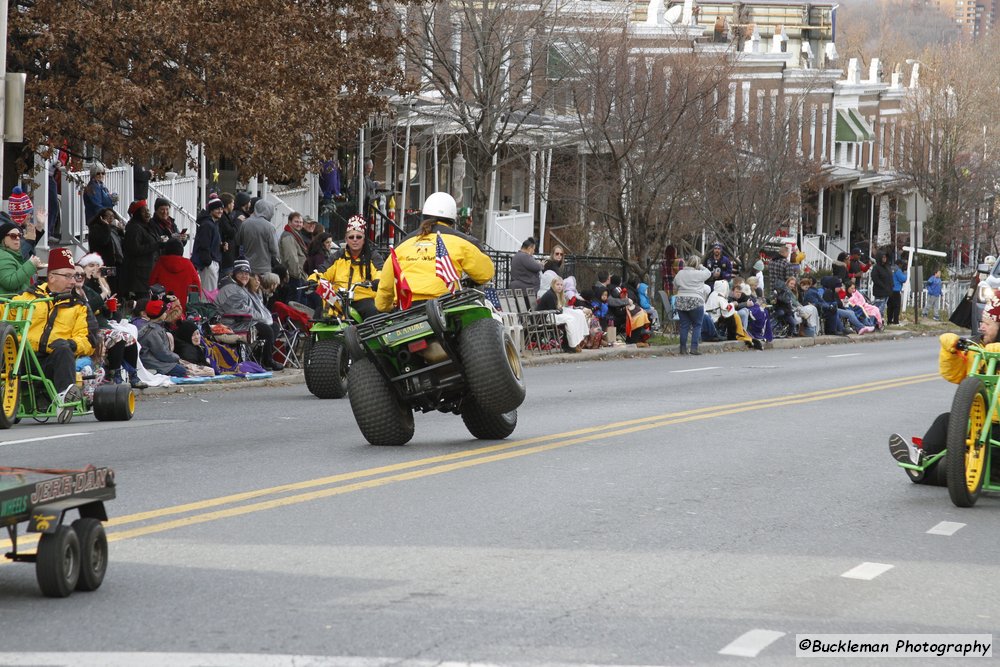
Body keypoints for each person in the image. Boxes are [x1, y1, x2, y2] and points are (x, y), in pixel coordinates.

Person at [889, 297, 1000, 485]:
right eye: (981, 322)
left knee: (976, 463)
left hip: (997, 427)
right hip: (976, 422)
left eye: (988, 323)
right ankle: (920, 461)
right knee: (945, 421)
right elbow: (954, 375)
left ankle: (966, 473)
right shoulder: (977, 347)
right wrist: (950, 351)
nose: (982, 327)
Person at [376, 192, 493, 311]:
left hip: (407, 309)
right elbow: (486, 273)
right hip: (444, 307)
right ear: (452, 219)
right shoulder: (462, 242)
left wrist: (384, 307)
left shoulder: (402, 245)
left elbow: (386, 285)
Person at [12, 247, 93, 407]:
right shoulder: (28, 297)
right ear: (51, 277)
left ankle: (65, 398)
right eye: (68, 276)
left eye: (74, 276)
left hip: (53, 361)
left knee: (64, 348)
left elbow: (88, 341)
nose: (73, 281)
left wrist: (71, 344)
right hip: (22, 359)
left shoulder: (78, 306)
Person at [215, 260, 283, 371]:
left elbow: (251, 309)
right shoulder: (230, 288)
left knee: (274, 326)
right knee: (267, 330)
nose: (244, 276)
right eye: (241, 273)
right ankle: (267, 360)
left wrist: (262, 317)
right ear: (234, 274)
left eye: (246, 274)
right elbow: (240, 311)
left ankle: (258, 357)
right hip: (231, 323)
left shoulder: (240, 287)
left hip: (243, 321)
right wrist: (261, 317)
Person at [321, 216, 383, 319]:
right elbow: (322, 271)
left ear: (364, 239)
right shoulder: (338, 256)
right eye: (351, 237)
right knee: (320, 314)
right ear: (346, 239)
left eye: (358, 237)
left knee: (372, 312)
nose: (355, 240)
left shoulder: (373, 256)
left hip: (363, 299)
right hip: (337, 299)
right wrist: (313, 280)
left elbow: (380, 272)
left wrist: (375, 282)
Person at [535, 275, 588, 352]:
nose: (559, 287)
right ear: (553, 285)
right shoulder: (550, 294)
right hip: (544, 317)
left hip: (551, 314)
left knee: (578, 314)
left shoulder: (556, 294)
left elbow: (558, 309)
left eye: (561, 285)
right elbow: (553, 310)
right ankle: (570, 345)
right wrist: (561, 310)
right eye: (557, 284)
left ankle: (575, 342)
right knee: (570, 319)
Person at [122, 199, 163, 299]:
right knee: (143, 303)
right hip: (139, 275)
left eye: (148, 210)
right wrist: (156, 244)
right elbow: (134, 249)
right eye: (144, 211)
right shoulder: (135, 228)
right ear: (137, 214)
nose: (148, 213)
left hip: (147, 273)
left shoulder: (146, 226)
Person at [137, 299, 187, 377]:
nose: (166, 313)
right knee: (182, 370)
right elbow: (161, 353)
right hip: (152, 363)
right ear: (159, 315)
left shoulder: (151, 327)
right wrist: (176, 358)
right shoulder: (153, 331)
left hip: (153, 360)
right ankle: (154, 372)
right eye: (164, 312)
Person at [673, 255, 711, 355]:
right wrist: (701, 266)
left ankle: (683, 348)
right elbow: (709, 273)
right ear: (697, 264)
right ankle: (694, 348)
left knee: (684, 325)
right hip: (696, 300)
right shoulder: (699, 274)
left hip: (681, 300)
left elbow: (675, 285)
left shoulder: (680, 273)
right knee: (697, 325)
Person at [149, 239, 200, 312]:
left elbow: (152, 283)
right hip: (184, 307)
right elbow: (196, 286)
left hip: (163, 308)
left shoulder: (160, 263)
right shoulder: (188, 264)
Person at [235, 199, 279, 276]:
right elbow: (275, 250)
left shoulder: (245, 223)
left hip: (247, 266)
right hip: (264, 267)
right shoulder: (269, 227)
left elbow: (238, 241)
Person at [0, 215, 42, 294]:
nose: (18, 238)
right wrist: (31, 265)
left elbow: (16, 273)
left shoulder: (11, 254)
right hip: (8, 303)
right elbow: (10, 282)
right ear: (3, 239)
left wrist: (32, 267)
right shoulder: (2, 256)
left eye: (19, 235)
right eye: (13, 236)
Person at [87, 207, 124, 294]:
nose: (111, 218)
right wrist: (106, 226)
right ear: (101, 217)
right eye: (108, 216)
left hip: (114, 261)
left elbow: (122, 243)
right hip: (103, 262)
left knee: (114, 284)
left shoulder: (114, 229)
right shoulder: (96, 228)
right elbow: (104, 241)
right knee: (105, 285)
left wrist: (121, 230)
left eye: (112, 216)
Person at [192, 196, 224, 291]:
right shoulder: (207, 225)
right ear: (211, 210)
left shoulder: (212, 224)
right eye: (217, 209)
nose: (220, 211)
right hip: (208, 265)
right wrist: (209, 264)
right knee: (208, 295)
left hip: (211, 263)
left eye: (221, 209)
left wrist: (221, 247)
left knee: (210, 294)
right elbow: (204, 245)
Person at [279, 211, 310, 286]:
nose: (299, 224)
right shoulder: (288, 236)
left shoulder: (295, 235)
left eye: (301, 222)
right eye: (296, 222)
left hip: (299, 275)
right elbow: (291, 257)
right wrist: (298, 276)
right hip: (294, 277)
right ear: (289, 222)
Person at [871, 251, 893, 320]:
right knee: (878, 308)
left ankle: (881, 321)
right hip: (880, 291)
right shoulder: (876, 268)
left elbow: (889, 277)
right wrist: (883, 286)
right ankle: (877, 321)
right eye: (883, 257)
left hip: (887, 291)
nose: (884, 259)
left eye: (885, 257)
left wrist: (891, 286)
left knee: (883, 308)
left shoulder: (887, 267)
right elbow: (875, 279)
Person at [887, 259, 908, 325]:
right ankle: (896, 321)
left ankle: (889, 321)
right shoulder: (898, 270)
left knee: (890, 307)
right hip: (896, 290)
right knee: (896, 307)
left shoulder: (890, 269)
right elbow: (903, 279)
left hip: (889, 290)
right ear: (899, 264)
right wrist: (905, 273)